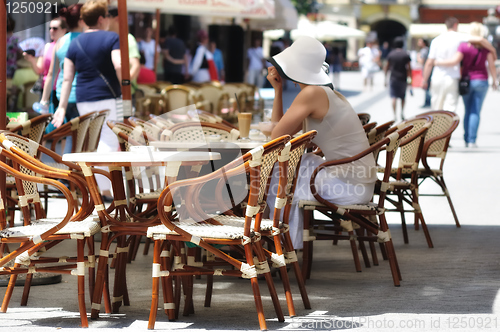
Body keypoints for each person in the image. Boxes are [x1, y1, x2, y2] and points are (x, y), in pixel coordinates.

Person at [265, 36, 377, 249]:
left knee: (282, 169)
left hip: (349, 187)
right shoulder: (324, 92)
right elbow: (281, 133)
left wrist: (278, 90)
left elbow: (275, 137)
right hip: (358, 183)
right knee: (294, 165)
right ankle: (279, 241)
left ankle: (279, 241)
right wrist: (278, 90)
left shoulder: (312, 93)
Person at [57, 0, 122, 200]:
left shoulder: (74, 42)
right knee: (109, 140)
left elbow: (67, 77)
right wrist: (126, 90)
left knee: (94, 140)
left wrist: (61, 107)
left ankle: (99, 187)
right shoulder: (112, 37)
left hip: (84, 98)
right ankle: (104, 190)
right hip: (108, 95)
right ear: (102, 18)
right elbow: (118, 65)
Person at [434, 22, 498, 148]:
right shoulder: (486, 48)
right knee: (476, 111)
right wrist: (495, 80)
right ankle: (472, 140)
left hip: (466, 81)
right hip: (481, 81)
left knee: (467, 110)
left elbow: (455, 61)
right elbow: (492, 64)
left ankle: (466, 138)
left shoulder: (463, 46)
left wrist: (438, 62)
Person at [421, 17, 497, 112]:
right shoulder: (459, 36)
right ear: (456, 25)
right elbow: (481, 39)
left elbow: (429, 62)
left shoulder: (436, 40)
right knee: (450, 110)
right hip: (452, 77)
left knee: (436, 109)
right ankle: (448, 127)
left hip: (437, 77)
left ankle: (438, 127)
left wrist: (424, 80)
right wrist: (493, 50)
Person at [40, 4, 85, 125]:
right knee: (81, 139)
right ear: (82, 20)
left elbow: (51, 73)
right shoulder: (86, 40)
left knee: (66, 135)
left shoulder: (60, 42)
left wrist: (44, 100)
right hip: (82, 95)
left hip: (62, 95)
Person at [24, 18, 68, 97]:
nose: (51, 31)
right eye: (50, 28)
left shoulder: (67, 47)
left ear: (64, 30)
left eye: (55, 28)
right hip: (46, 89)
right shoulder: (47, 47)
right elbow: (39, 70)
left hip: (62, 89)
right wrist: (32, 60)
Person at [384, 36, 412, 121]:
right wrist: (410, 79)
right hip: (403, 78)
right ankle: (402, 112)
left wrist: (385, 78)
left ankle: (394, 115)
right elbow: (409, 68)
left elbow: (386, 67)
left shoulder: (391, 54)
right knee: (403, 97)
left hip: (393, 78)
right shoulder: (405, 54)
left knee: (393, 97)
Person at [6, 15, 22, 79]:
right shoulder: (16, 39)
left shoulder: (16, 39)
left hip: (11, 70)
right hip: (13, 69)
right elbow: (21, 53)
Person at [416, 38, 431, 108]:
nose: (418, 43)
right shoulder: (427, 49)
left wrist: (418, 57)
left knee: (426, 85)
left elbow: (421, 61)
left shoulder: (424, 50)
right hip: (428, 69)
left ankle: (427, 101)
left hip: (426, 69)